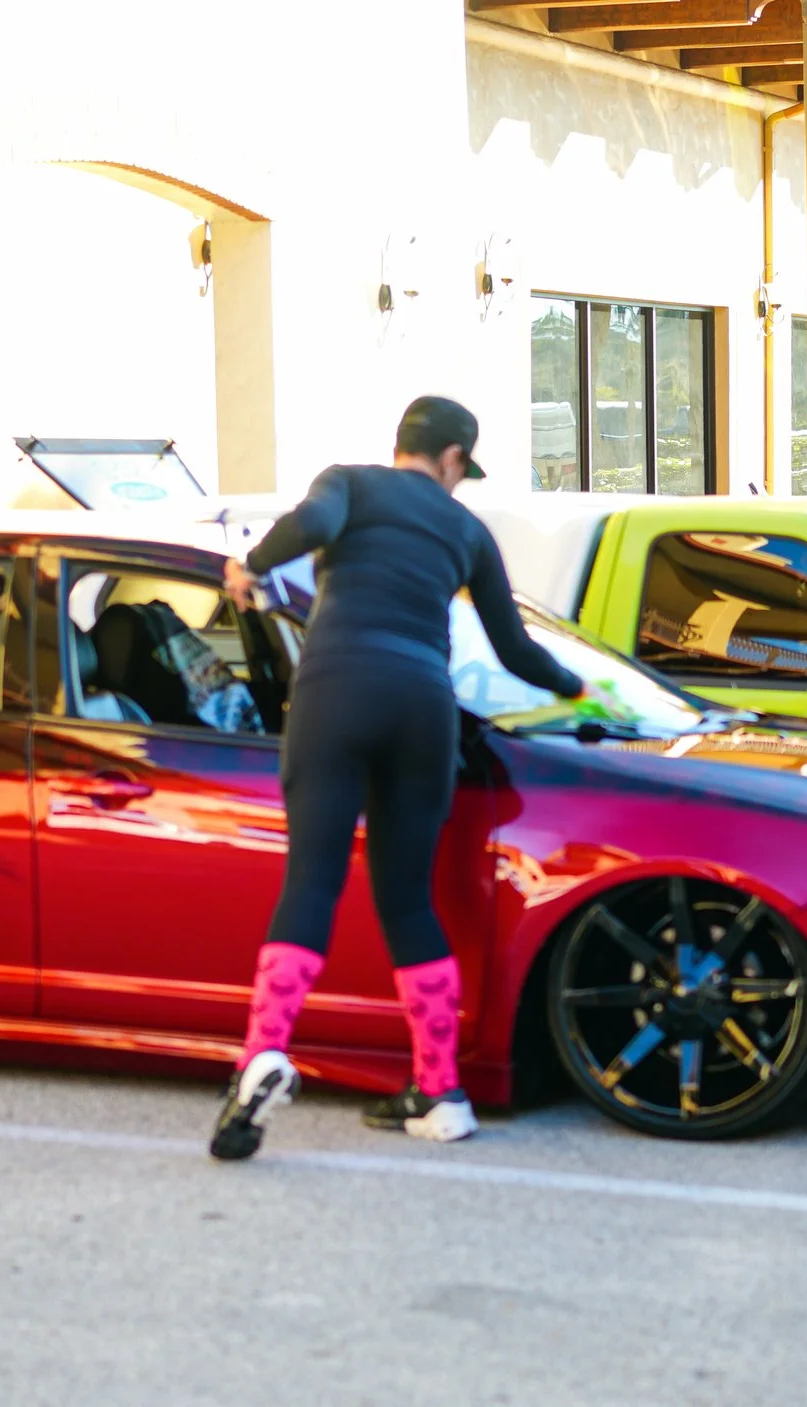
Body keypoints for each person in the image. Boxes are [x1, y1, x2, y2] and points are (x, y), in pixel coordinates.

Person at [208, 395, 586, 1161]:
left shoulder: (348, 483)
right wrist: (578, 689)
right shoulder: (466, 530)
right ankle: (441, 1092)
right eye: (462, 471)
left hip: (339, 689)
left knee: (313, 878)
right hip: (423, 707)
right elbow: (515, 650)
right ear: (451, 458)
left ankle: (264, 1056)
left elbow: (310, 526)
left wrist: (250, 565)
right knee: (410, 898)